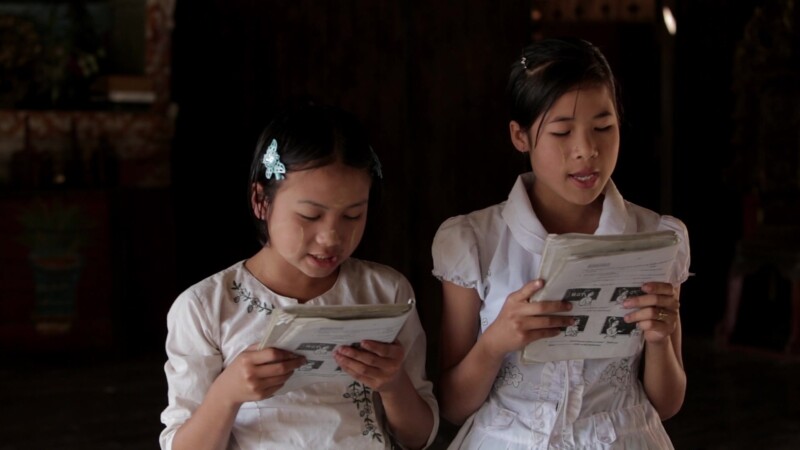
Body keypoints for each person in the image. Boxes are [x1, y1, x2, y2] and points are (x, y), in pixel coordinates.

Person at [432, 37, 690, 449]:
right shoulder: (474, 242)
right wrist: (496, 341)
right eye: (562, 132)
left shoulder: (656, 237)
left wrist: (660, 337)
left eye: (603, 127)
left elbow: (669, 402)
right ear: (520, 136)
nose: (586, 150)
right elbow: (451, 405)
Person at [160, 104, 438, 450]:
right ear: (260, 200)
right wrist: (226, 395)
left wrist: (393, 384)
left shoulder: (387, 293)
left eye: (352, 216)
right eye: (310, 216)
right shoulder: (206, 307)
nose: (331, 238)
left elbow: (419, 438)